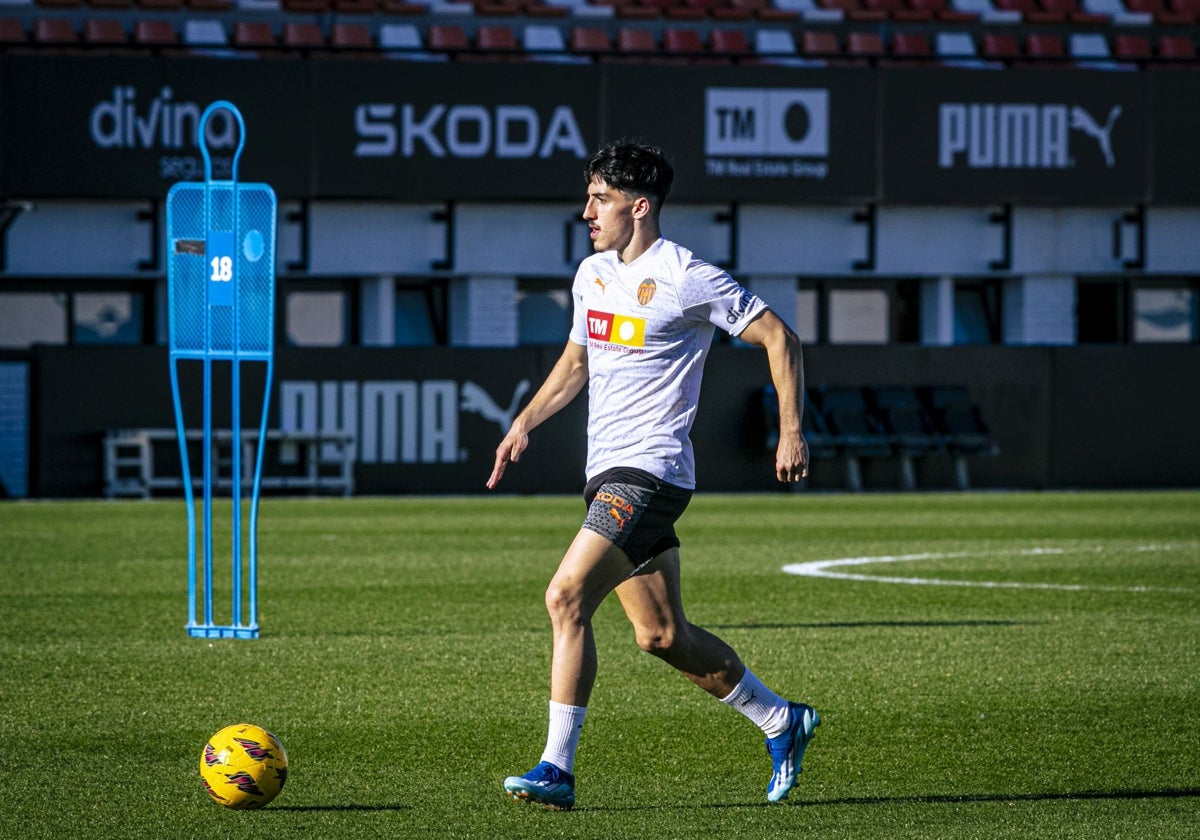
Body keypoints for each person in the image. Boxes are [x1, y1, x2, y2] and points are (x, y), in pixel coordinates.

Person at [486, 139, 818, 810]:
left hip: (651, 472)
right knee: (661, 636)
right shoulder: (590, 274)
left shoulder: (686, 275)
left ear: (639, 207)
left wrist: (790, 431)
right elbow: (577, 363)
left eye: (600, 199)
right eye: (588, 197)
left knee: (565, 597)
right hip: (606, 473)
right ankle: (783, 720)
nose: (587, 211)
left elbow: (780, 338)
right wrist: (523, 422)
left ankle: (557, 769)